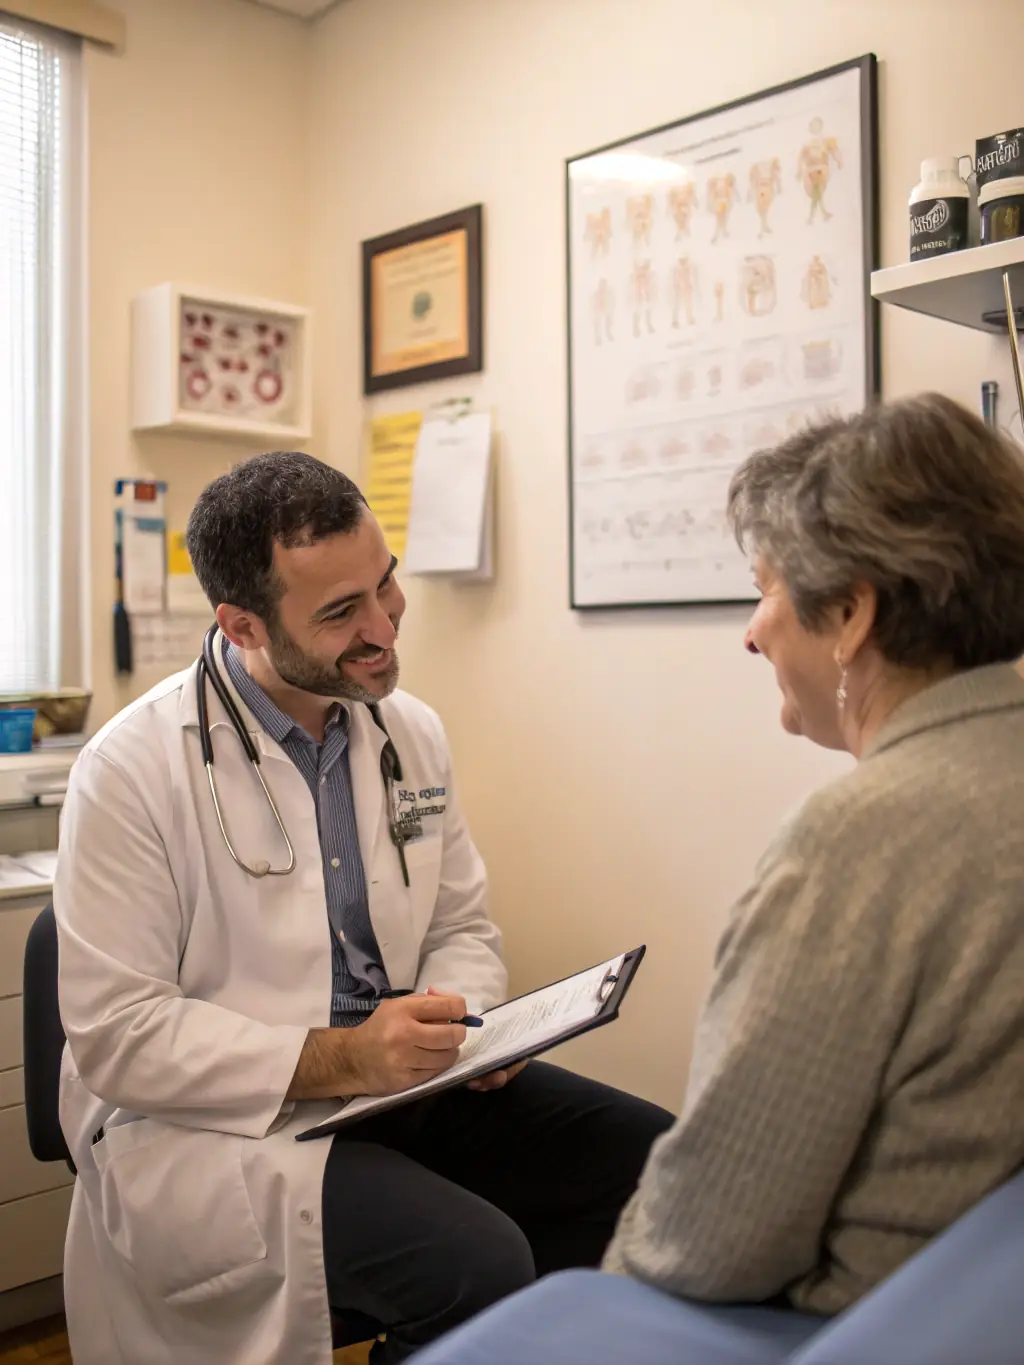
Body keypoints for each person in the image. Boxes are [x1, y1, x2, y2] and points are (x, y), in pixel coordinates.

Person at [54, 451, 672, 1365]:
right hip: (218, 1123)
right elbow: (121, 1036)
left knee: (657, 1161)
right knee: (476, 1261)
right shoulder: (129, 771)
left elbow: (461, 925)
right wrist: (345, 1053)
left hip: (401, 1081)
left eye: (386, 584)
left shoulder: (406, 729)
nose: (383, 626)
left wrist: (468, 1018)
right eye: (341, 612)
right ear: (243, 623)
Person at [604, 393, 1024, 1313]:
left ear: (851, 613)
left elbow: (707, 1244)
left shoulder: (858, 838)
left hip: (875, 1324)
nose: (753, 631)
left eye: (767, 588)